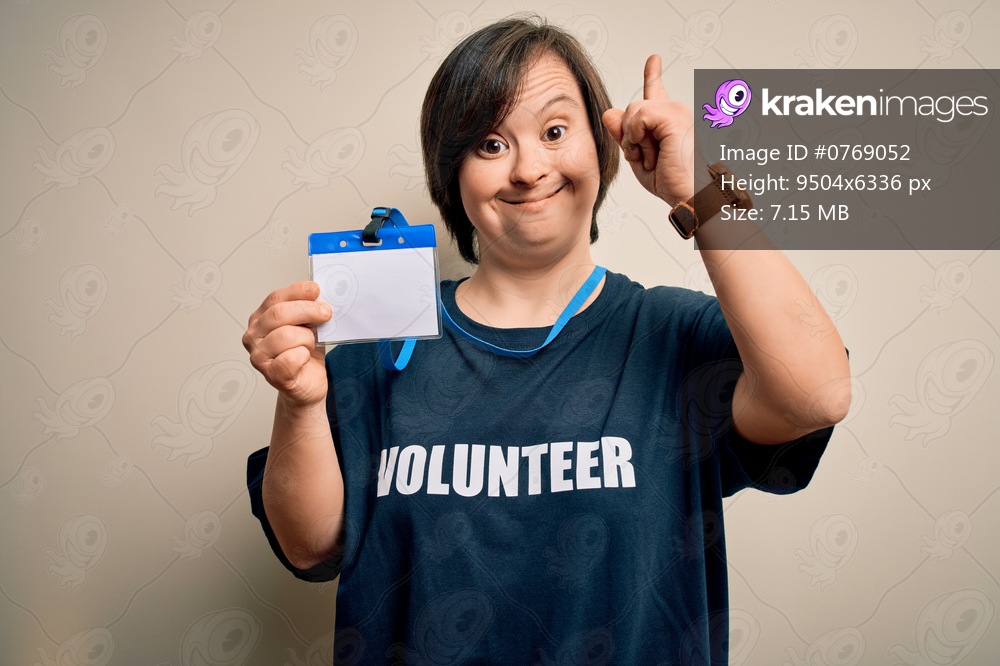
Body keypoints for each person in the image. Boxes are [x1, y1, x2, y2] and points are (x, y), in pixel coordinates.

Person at [243, 16, 850, 665]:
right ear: (453, 175)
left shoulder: (674, 334)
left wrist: (697, 187)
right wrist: (302, 400)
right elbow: (311, 545)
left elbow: (816, 395)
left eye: (555, 131)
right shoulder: (382, 347)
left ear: (602, 146)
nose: (530, 168)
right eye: (490, 144)